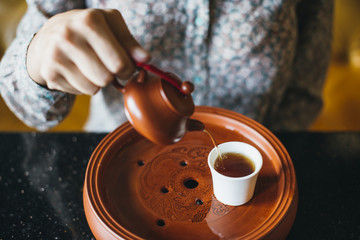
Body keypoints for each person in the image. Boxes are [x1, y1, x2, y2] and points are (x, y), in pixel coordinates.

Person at [0, 0, 333, 132]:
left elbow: (304, 90)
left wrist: (268, 162)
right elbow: (29, 107)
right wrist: (37, 59)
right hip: (116, 160)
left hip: (249, 164)